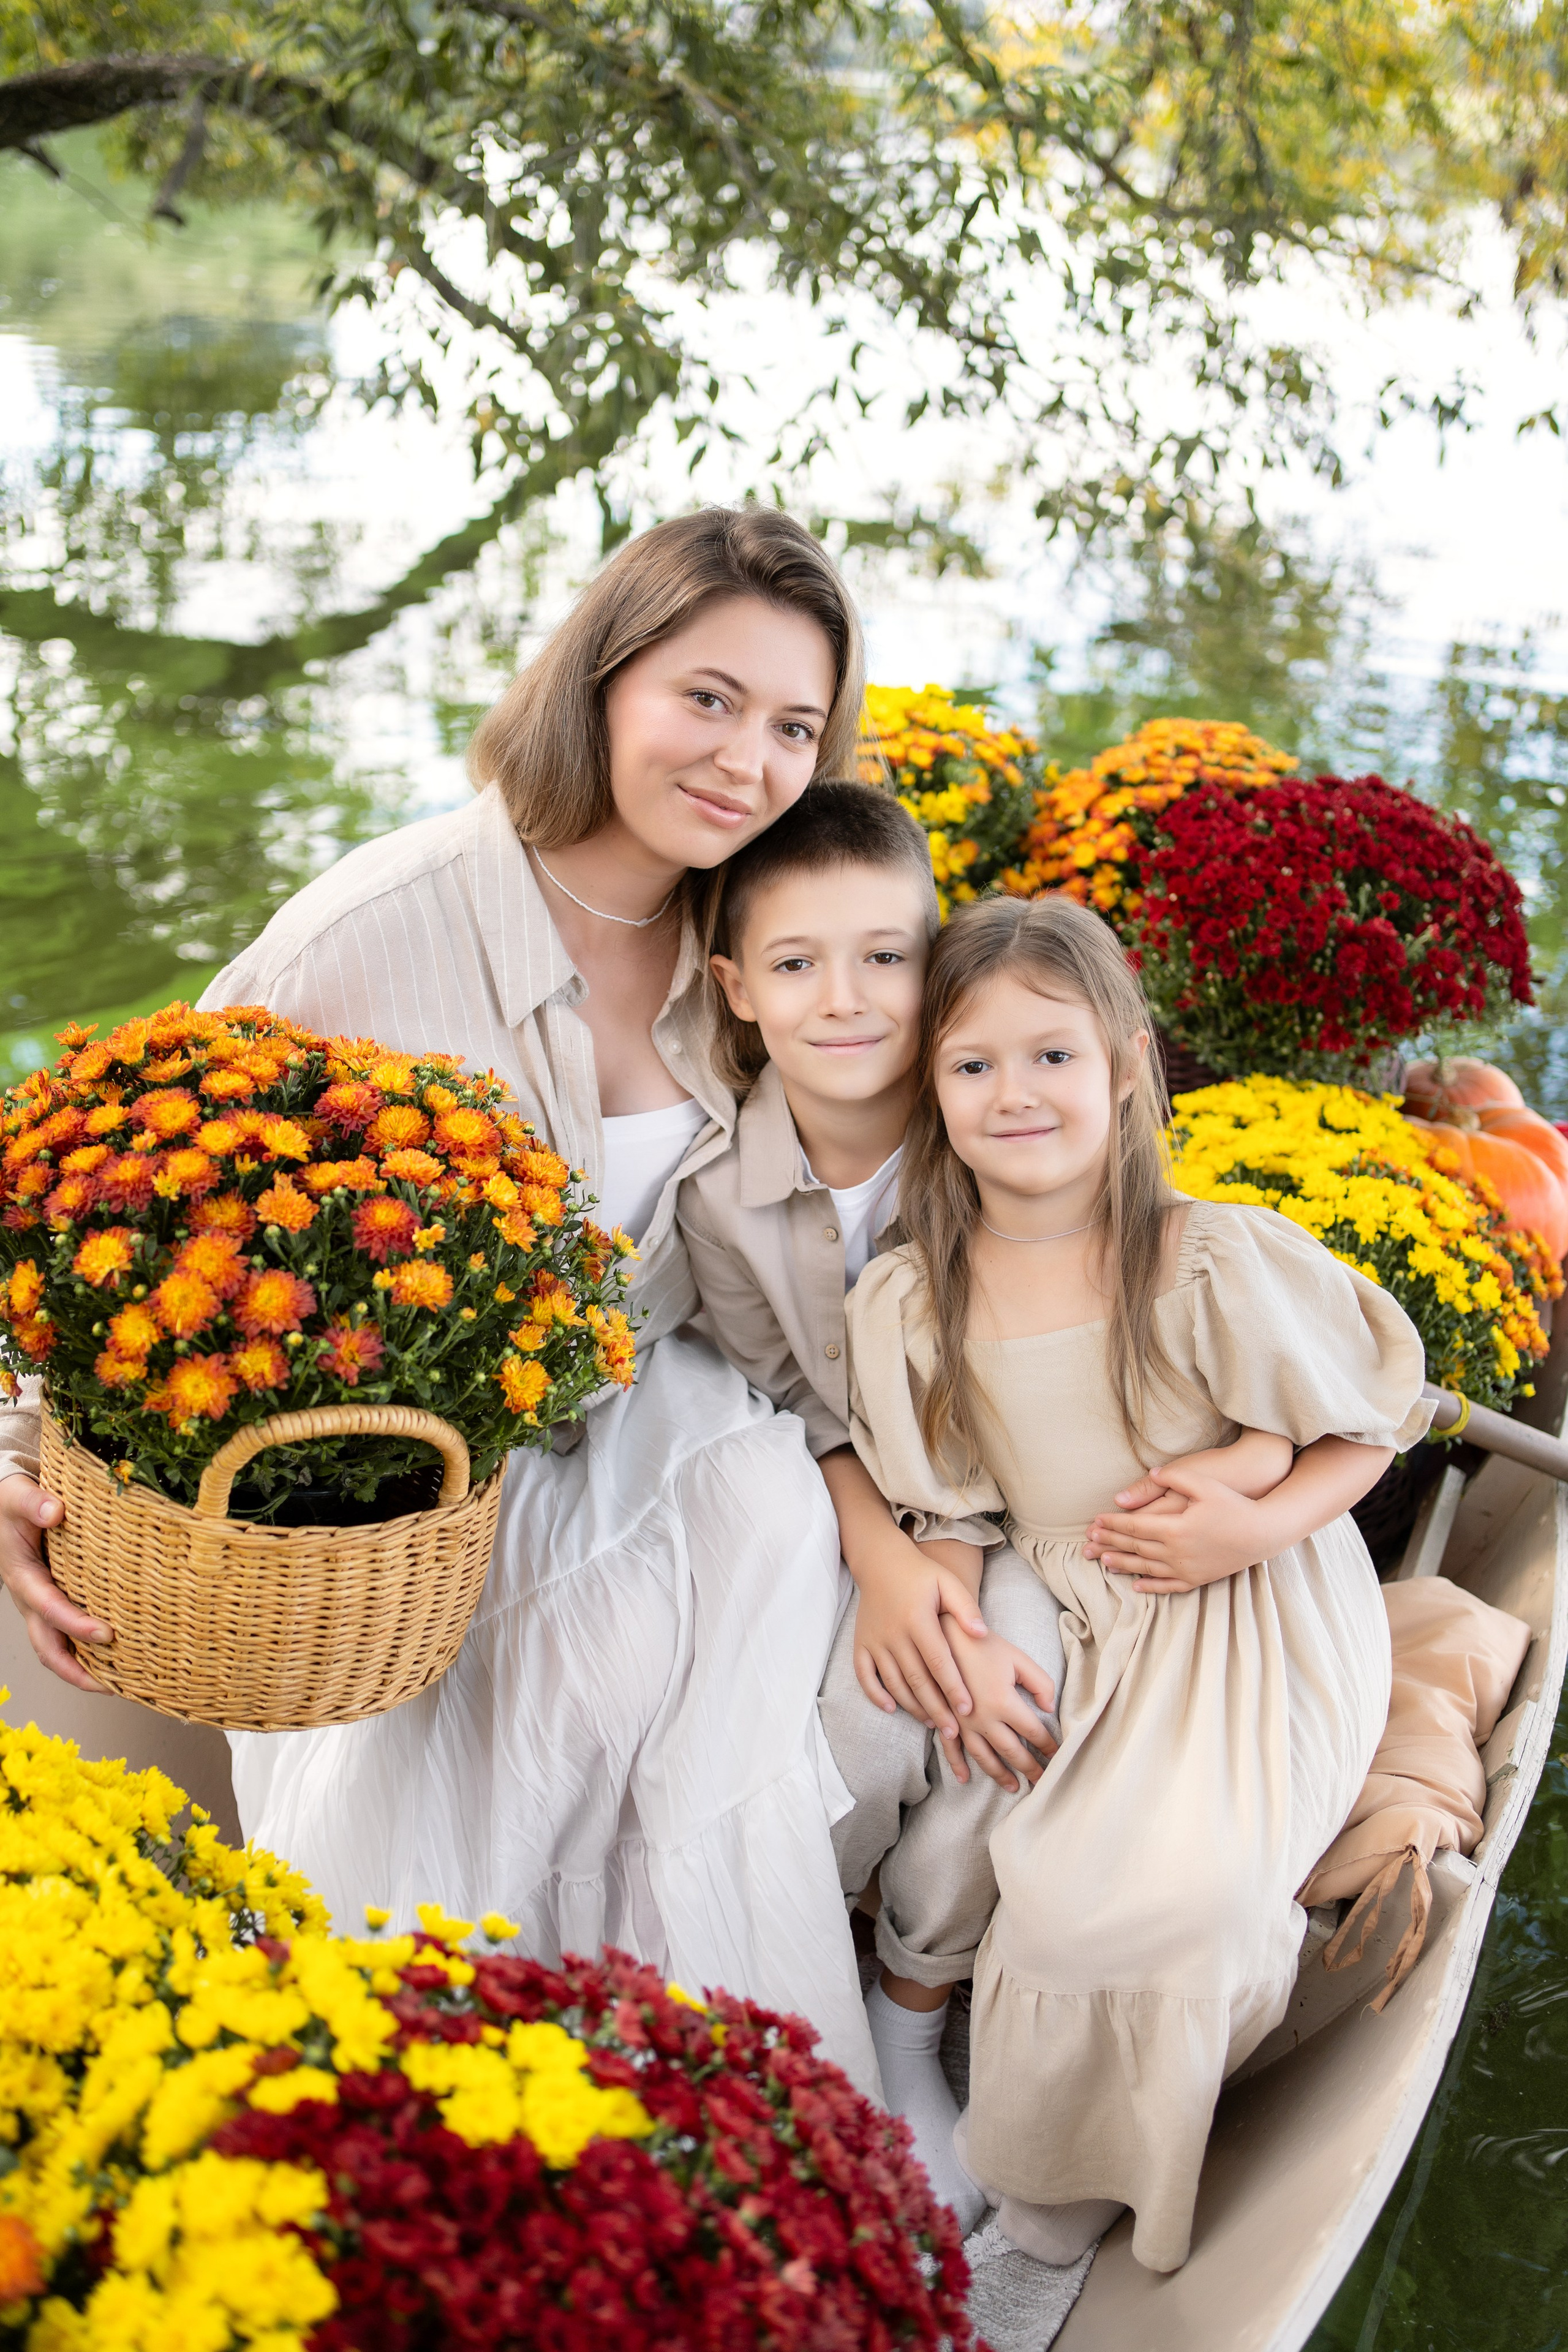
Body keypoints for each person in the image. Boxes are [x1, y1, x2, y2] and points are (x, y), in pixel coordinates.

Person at [0, 507, 878, 2093]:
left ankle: (703, 2076)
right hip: (392, 1493)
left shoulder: (757, 950)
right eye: (707, 697)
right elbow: (112, 1189)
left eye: (793, 727)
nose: (747, 760)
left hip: (630, 1411)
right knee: (563, 1651)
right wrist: (19, 1447)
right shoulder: (378, 930)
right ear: (605, 679)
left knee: (754, 1508)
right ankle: (439, 2064)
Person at [677, 787, 1298, 2225]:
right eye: (794, 966)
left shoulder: (987, 1120)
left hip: (1022, 1514)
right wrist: (895, 1565)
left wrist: (951, 1559)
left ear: (932, 964)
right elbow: (789, 1405)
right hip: (844, 1508)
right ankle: (797, 1959)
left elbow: (1110, 1340)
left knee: (997, 1705)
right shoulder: (720, 1199)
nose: (846, 1000)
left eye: (885, 959)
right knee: (847, 1719)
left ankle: (909, 2010)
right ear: (735, 989)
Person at [843, 893, 1432, 2272]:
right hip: (1067, 1593)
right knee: (1037, 1860)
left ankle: (1093, 2182)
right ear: (931, 1092)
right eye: (972, 1066)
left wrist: (1250, 1515)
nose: (1015, 1093)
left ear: (1121, 1063)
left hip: (1251, 1602)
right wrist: (945, 1610)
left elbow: (1360, 1433)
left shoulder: (1203, 1254)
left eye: (1050, 1055)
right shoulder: (918, 1297)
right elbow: (948, 1505)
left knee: (1183, 1904)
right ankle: (951, 2063)